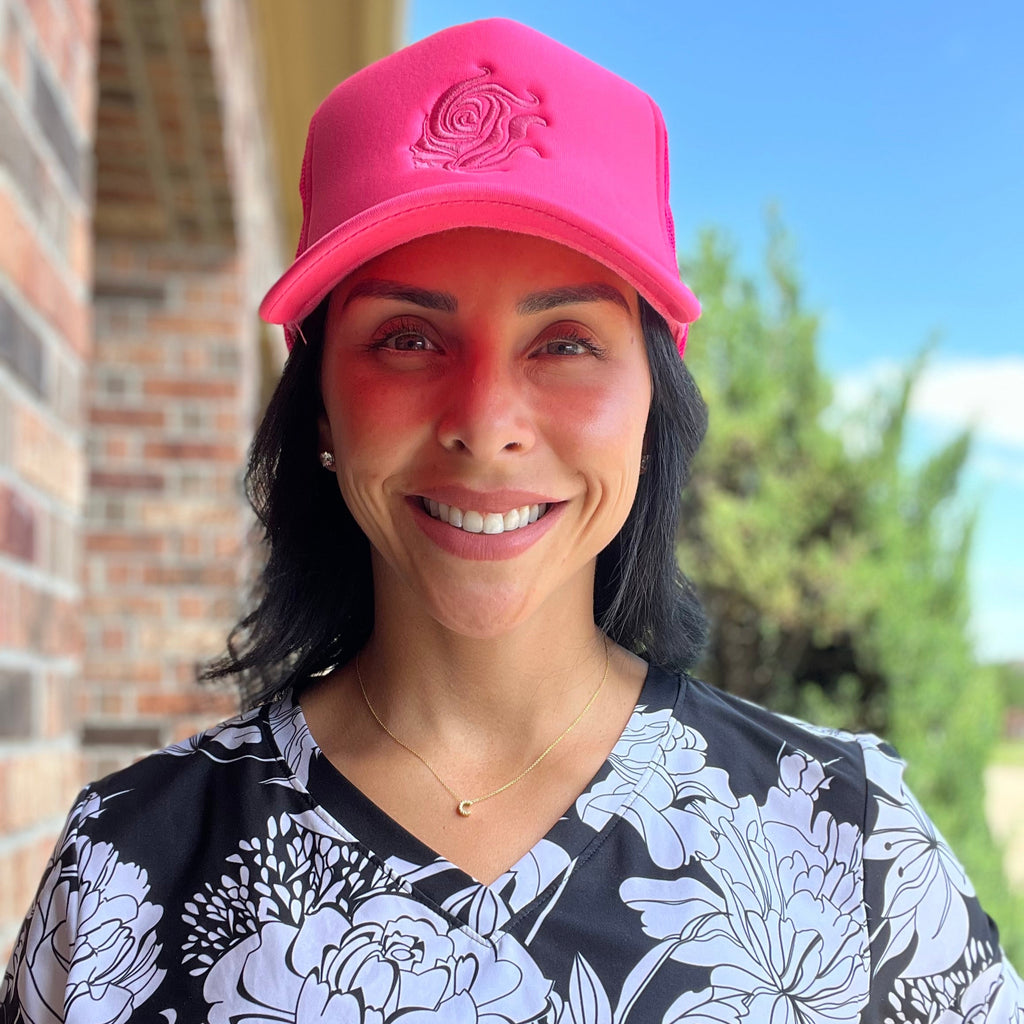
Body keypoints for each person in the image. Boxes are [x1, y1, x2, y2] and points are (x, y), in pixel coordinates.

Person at [2, 17, 1021, 1024]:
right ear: (320, 409)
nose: (485, 426)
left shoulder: (851, 840)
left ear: (650, 409)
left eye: (565, 341)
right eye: (406, 338)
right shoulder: (122, 869)